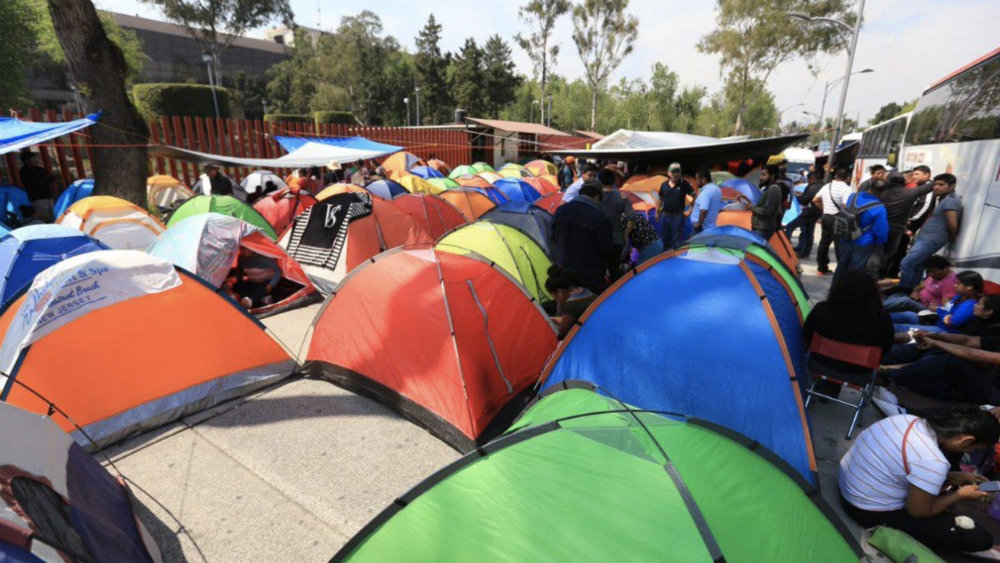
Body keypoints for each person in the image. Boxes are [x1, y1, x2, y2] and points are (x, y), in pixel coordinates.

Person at [838, 406, 999, 555]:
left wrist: (950, 475)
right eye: (974, 448)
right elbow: (919, 512)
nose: (970, 451)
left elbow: (904, 463)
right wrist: (960, 495)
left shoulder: (908, 419)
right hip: (865, 510)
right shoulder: (933, 461)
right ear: (966, 440)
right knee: (980, 539)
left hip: (847, 485)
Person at [803, 271, 895, 390]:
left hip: (819, 366)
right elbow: (886, 349)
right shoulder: (882, 318)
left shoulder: (822, 310)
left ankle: (824, 388)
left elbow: (806, 336)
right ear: (873, 293)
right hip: (860, 374)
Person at [551, 181, 616, 294]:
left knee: (569, 304)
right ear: (596, 197)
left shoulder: (560, 210)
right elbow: (608, 248)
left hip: (564, 269)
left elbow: (553, 236)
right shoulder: (598, 217)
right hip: (590, 274)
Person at [899, 174, 962, 290]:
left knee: (906, 263)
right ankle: (912, 290)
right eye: (935, 184)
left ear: (952, 186)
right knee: (918, 265)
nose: (937, 187)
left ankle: (902, 290)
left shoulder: (951, 201)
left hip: (931, 240)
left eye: (941, 185)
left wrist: (952, 237)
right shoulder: (944, 198)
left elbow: (952, 224)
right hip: (926, 238)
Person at [867, 172, 936, 278]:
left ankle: (872, 274)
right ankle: (877, 273)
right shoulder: (910, 193)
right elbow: (929, 187)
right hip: (896, 229)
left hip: (879, 226)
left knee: (877, 252)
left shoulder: (882, 193)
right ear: (903, 182)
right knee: (889, 253)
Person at [891, 271, 984, 334]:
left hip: (945, 331)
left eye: (958, 283)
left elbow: (952, 321)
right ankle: (878, 317)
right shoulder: (960, 296)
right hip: (936, 321)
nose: (955, 285)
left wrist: (939, 310)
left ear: (969, 287)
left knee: (900, 327)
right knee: (908, 314)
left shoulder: (970, 305)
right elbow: (948, 309)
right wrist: (937, 307)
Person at [833, 186, 888, 282]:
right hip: (864, 242)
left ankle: (834, 290)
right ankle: (848, 294)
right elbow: (880, 230)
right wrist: (880, 242)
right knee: (855, 270)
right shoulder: (879, 208)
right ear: (883, 193)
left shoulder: (853, 196)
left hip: (846, 236)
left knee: (841, 266)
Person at [812, 168, 853, 275]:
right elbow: (846, 205)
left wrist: (824, 209)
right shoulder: (847, 189)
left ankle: (821, 268)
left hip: (826, 216)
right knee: (839, 244)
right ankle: (841, 270)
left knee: (824, 243)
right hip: (838, 219)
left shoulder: (827, 186)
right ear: (848, 178)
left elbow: (815, 200)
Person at [884, 255, 957, 313]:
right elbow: (918, 287)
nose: (931, 274)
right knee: (896, 294)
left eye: (934, 272)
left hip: (927, 308)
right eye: (929, 271)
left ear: (945, 268)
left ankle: (876, 309)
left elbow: (946, 307)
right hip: (917, 300)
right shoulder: (935, 276)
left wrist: (935, 307)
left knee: (905, 301)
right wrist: (915, 292)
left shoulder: (949, 282)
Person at [545, 265, 598, 339]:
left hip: (589, 336)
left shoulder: (570, 305)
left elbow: (562, 332)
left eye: (552, 295)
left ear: (559, 292)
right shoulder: (586, 292)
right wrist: (554, 319)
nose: (553, 298)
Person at [596, 169, 631, 271]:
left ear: (599, 181)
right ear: (615, 180)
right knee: (615, 269)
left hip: (599, 238)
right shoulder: (622, 196)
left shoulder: (595, 197)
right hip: (617, 238)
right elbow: (632, 216)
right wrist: (626, 232)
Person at [785, 169, 825, 257]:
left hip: (809, 212)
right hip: (816, 212)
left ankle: (786, 247)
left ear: (812, 179)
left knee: (790, 226)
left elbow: (804, 200)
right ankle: (805, 252)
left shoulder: (813, 187)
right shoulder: (822, 185)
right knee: (808, 232)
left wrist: (798, 197)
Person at [657, 162, 694, 249]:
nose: (676, 174)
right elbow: (660, 198)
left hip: (677, 216)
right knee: (664, 239)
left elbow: (695, 195)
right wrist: (657, 211)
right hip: (665, 215)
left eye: (678, 172)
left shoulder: (684, 183)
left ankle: (674, 258)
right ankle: (664, 258)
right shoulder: (664, 184)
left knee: (676, 241)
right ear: (669, 173)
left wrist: (690, 209)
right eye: (673, 172)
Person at [750, 164, 784, 242]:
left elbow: (768, 211)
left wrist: (751, 207)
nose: (760, 177)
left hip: (763, 229)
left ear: (772, 176)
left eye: (764, 175)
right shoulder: (768, 188)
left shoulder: (774, 189)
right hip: (760, 228)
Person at [19, 152, 55, 222]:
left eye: (36, 159)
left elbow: (52, 178)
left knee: (52, 216)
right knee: (44, 217)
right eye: (33, 159)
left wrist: (43, 179)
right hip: (37, 198)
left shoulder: (39, 169)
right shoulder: (24, 171)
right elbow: (37, 182)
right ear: (26, 161)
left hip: (48, 196)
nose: (36, 161)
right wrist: (44, 179)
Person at [690, 167, 722, 233]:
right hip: (711, 227)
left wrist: (698, 224)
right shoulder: (717, 189)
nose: (695, 182)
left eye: (697, 179)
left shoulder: (706, 192)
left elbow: (703, 210)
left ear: (703, 179)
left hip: (702, 229)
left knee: (697, 243)